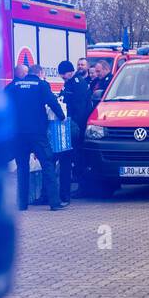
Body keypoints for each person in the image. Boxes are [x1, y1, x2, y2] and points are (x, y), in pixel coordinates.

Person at [4, 63, 66, 212]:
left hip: (18, 134)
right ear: (39, 73)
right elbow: (52, 102)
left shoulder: (14, 85)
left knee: (22, 168)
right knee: (48, 164)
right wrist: (62, 116)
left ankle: (22, 204)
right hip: (38, 133)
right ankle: (54, 203)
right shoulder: (41, 85)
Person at [58, 59, 92, 203]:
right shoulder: (70, 83)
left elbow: (79, 109)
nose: (62, 77)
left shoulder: (78, 84)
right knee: (75, 159)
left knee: (79, 159)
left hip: (77, 127)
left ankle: (83, 188)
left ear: (70, 72)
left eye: (63, 74)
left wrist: (75, 128)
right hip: (71, 126)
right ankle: (80, 188)